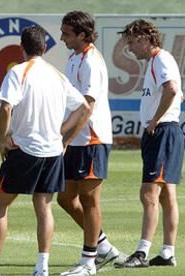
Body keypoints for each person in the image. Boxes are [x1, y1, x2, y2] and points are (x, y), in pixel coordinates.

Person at [0, 25, 90, 276]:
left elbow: (5, 108)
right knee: (44, 207)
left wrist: (2, 139)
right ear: (44, 48)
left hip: (25, 149)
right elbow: (83, 107)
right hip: (52, 152)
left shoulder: (18, 72)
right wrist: (62, 134)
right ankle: (41, 268)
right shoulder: (57, 75)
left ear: (22, 48)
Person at [114, 19, 183, 269]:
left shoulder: (161, 59)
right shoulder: (157, 61)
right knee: (166, 196)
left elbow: (172, 89)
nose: (130, 48)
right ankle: (167, 253)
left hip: (163, 132)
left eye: (132, 42)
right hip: (165, 132)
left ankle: (142, 253)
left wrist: (155, 120)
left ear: (146, 39)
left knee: (149, 193)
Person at [57, 11, 119, 276]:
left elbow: (87, 106)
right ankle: (103, 247)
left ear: (83, 34)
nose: (61, 38)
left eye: (67, 33)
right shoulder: (74, 58)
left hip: (91, 138)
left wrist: (65, 139)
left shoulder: (91, 60)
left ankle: (88, 262)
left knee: (89, 199)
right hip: (77, 140)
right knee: (65, 198)